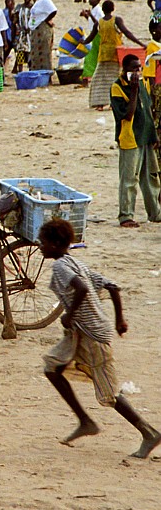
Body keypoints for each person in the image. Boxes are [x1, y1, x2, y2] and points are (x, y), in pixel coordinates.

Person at [39, 218, 160, 458]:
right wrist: (119, 320)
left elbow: (82, 289)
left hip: (92, 335)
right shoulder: (75, 262)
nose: (39, 246)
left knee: (110, 394)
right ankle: (85, 421)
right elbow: (112, 287)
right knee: (52, 366)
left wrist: (69, 315)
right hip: (83, 333)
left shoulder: (61, 267)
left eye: (42, 242)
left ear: (54, 244)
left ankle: (149, 432)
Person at [109, 54, 161, 227]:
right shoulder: (117, 87)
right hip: (129, 138)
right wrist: (133, 91)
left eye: (139, 68)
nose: (137, 71)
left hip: (145, 136)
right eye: (133, 68)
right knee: (130, 178)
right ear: (124, 69)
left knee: (150, 177)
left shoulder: (142, 83)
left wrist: (154, 136)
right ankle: (126, 216)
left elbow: (147, 111)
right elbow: (127, 114)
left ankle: (155, 213)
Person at [86, 0, 144, 110]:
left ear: (103, 10)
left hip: (103, 53)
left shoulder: (99, 22)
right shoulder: (116, 20)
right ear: (113, 9)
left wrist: (82, 42)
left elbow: (90, 37)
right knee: (113, 78)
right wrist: (140, 43)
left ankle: (99, 104)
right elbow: (127, 33)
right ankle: (113, 102)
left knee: (100, 78)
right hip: (114, 53)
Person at [28, 0, 57, 71]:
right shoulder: (39, 0)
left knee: (44, 52)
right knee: (36, 52)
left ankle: (45, 72)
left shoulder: (45, 0)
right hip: (37, 29)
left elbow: (53, 11)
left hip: (43, 30)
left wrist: (46, 20)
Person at [12, 0, 34, 74]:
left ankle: (31, 71)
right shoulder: (19, 7)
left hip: (31, 34)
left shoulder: (33, 7)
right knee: (20, 53)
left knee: (30, 53)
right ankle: (20, 72)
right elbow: (15, 21)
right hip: (22, 33)